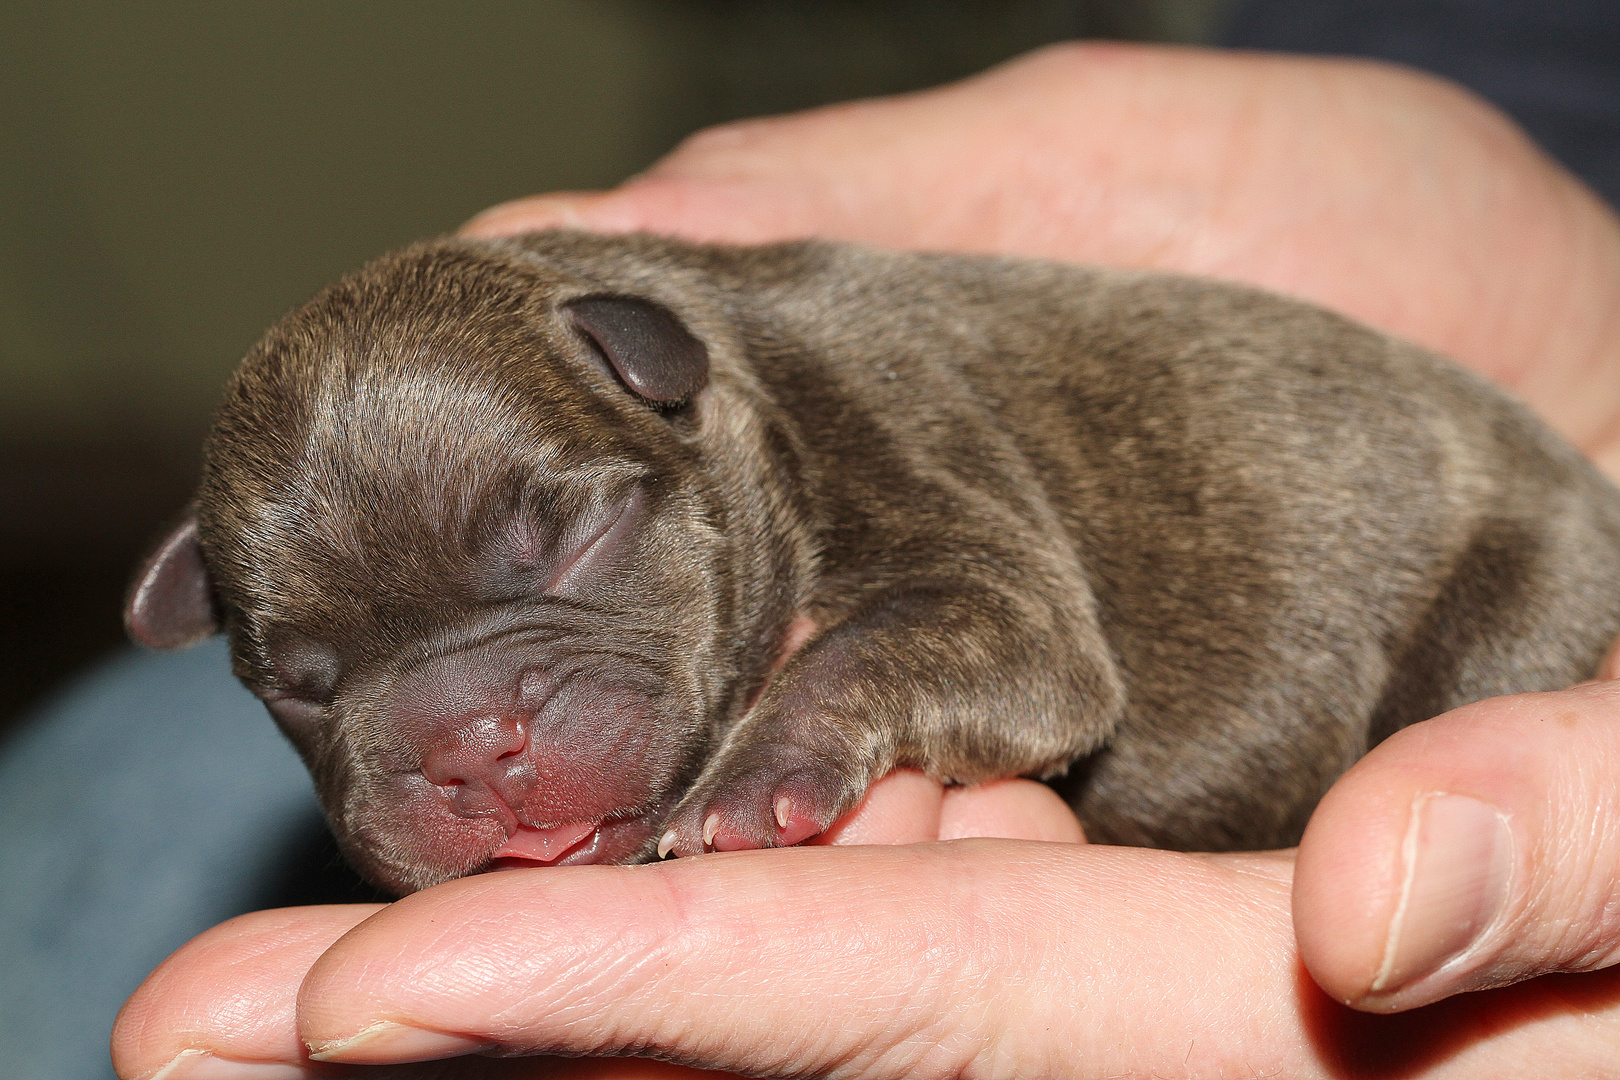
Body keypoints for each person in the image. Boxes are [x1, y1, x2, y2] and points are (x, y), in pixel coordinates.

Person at [101, 41, 1620, 1079]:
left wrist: (810, 734)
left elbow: (1036, 654)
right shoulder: (630, 426)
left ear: (655, 378)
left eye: (564, 549)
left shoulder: (848, 375)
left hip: (1478, 567)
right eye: (314, 689)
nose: (477, 741)